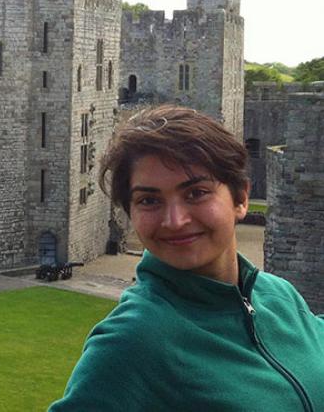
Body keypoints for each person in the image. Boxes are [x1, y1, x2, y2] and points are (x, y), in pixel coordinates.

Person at [49, 106, 324, 411]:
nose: (175, 220)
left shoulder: (278, 295)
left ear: (241, 198)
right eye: (149, 200)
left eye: (196, 193)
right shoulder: (133, 341)